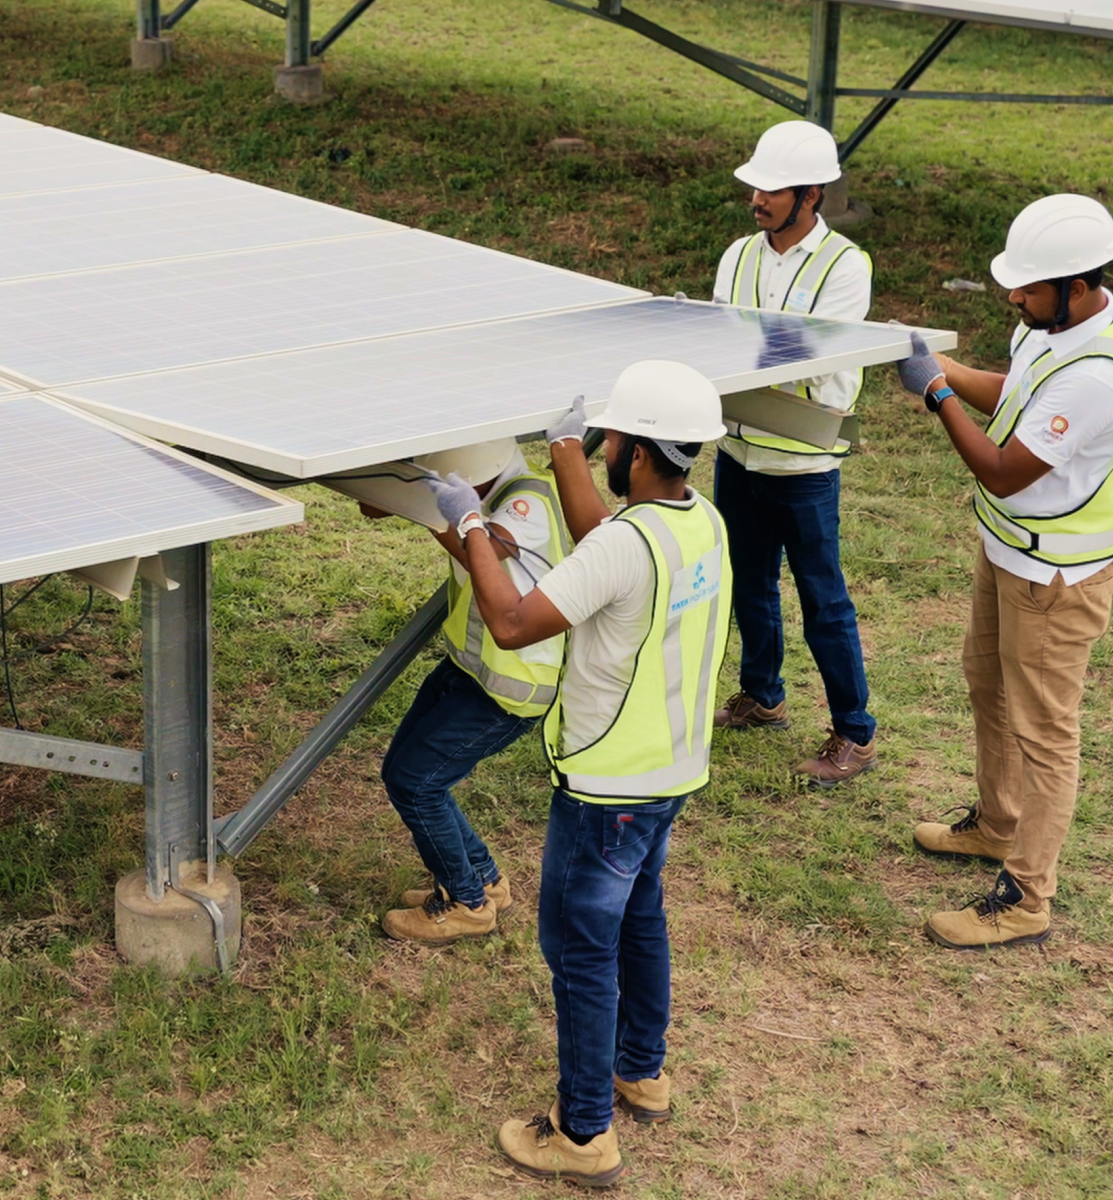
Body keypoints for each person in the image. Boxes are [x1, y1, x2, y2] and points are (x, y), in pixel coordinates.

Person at [423, 362, 730, 1187]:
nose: (600, 456)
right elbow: (607, 542)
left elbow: (514, 620)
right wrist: (563, 449)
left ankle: (584, 1131)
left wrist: (472, 530)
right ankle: (641, 1070)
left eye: (606, 443)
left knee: (581, 950)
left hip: (607, 791)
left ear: (633, 451)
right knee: (641, 920)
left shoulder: (629, 544)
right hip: (668, 774)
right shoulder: (698, 522)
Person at [891, 193, 1113, 950]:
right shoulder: (1054, 326)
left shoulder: (1098, 375)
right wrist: (952, 370)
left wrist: (936, 394)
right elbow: (1021, 398)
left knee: (1043, 732)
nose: (1013, 297)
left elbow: (1004, 469)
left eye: (1028, 288)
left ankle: (1028, 896)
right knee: (985, 684)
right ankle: (997, 825)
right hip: (1009, 553)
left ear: (1077, 285)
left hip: (1053, 581)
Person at [375, 426, 607, 944]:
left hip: (508, 692)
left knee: (417, 783)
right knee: (405, 774)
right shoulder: (496, 488)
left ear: (475, 479)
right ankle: (483, 880)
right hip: (471, 668)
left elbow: (484, 552)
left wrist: (445, 516)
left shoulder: (522, 507)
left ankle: (467, 903)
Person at [708, 119, 880, 786]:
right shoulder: (737, 255)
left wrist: (746, 351)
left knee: (822, 601)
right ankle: (763, 695)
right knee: (746, 585)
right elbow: (731, 343)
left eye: (772, 190)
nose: (757, 198)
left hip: (803, 464)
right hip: (738, 451)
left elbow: (813, 354)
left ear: (811, 195)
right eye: (754, 186)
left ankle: (854, 734)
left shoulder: (845, 266)